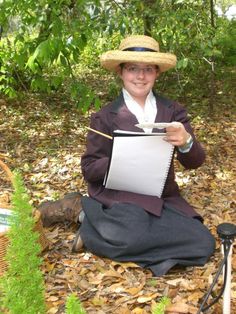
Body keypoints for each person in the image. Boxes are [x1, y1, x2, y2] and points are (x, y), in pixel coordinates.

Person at [40, 35, 215, 277]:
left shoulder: (172, 111)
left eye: (147, 70)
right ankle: (87, 214)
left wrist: (186, 142)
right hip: (121, 199)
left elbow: (195, 162)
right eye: (133, 69)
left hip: (161, 197)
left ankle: (94, 223)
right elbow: (89, 168)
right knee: (132, 231)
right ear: (121, 72)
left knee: (203, 243)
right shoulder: (104, 116)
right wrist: (120, 161)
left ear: (157, 73)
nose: (140, 76)